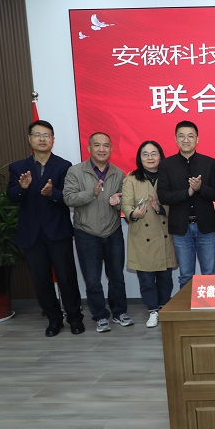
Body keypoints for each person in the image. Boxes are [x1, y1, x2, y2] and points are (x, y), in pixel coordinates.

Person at [6, 120, 85, 337]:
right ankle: (54, 320)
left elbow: (69, 196)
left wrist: (53, 193)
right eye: (37, 135)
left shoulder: (64, 166)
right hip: (32, 234)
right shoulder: (18, 167)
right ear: (30, 139)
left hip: (58, 231)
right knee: (41, 280)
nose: (42, 139)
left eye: (46, 135)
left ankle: (75, 318)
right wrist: (22, 188)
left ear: (53, 139)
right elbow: (12, 196)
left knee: (67, 278)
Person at [63, 132, 131, 333]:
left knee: (116, 276)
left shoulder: (118, 173)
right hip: (86, 233)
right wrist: (91, 193)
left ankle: (120, 312)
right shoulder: (75, 172)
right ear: (89, 148)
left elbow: (124, 202)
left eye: (106, 145)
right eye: (97, 145)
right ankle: (100, 316)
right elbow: (68, 198)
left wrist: (118, 204)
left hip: (113, 232)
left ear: (111, 148)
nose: (102, 149)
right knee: (92, 280)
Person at [157, 121, 215, 288]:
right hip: (180, 228)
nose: (186, 140)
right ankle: (187, 306)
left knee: (209, 274)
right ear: (175, 139)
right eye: (182, 136)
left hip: (206, 227)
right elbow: (163, 196)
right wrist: (187, 192)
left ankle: (209, 305)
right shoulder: (166, 165)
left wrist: (200, 188)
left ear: (197, 139)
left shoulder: (209, 163)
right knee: (185, 276)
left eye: (190, 136)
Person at [122, 141, 176, 328]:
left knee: (165, 277)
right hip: (141, 235)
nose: (150, 157)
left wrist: (160, 208)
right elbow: (126, 204)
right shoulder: (131, 178)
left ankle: (163, 308)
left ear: (161, 156)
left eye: (154, 153)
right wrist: (133, 214)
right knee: (146, 279)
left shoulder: (169, 175)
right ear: (140, 158)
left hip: (163, 232)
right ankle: (153, 310)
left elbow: (177, 203)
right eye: (145, 154)